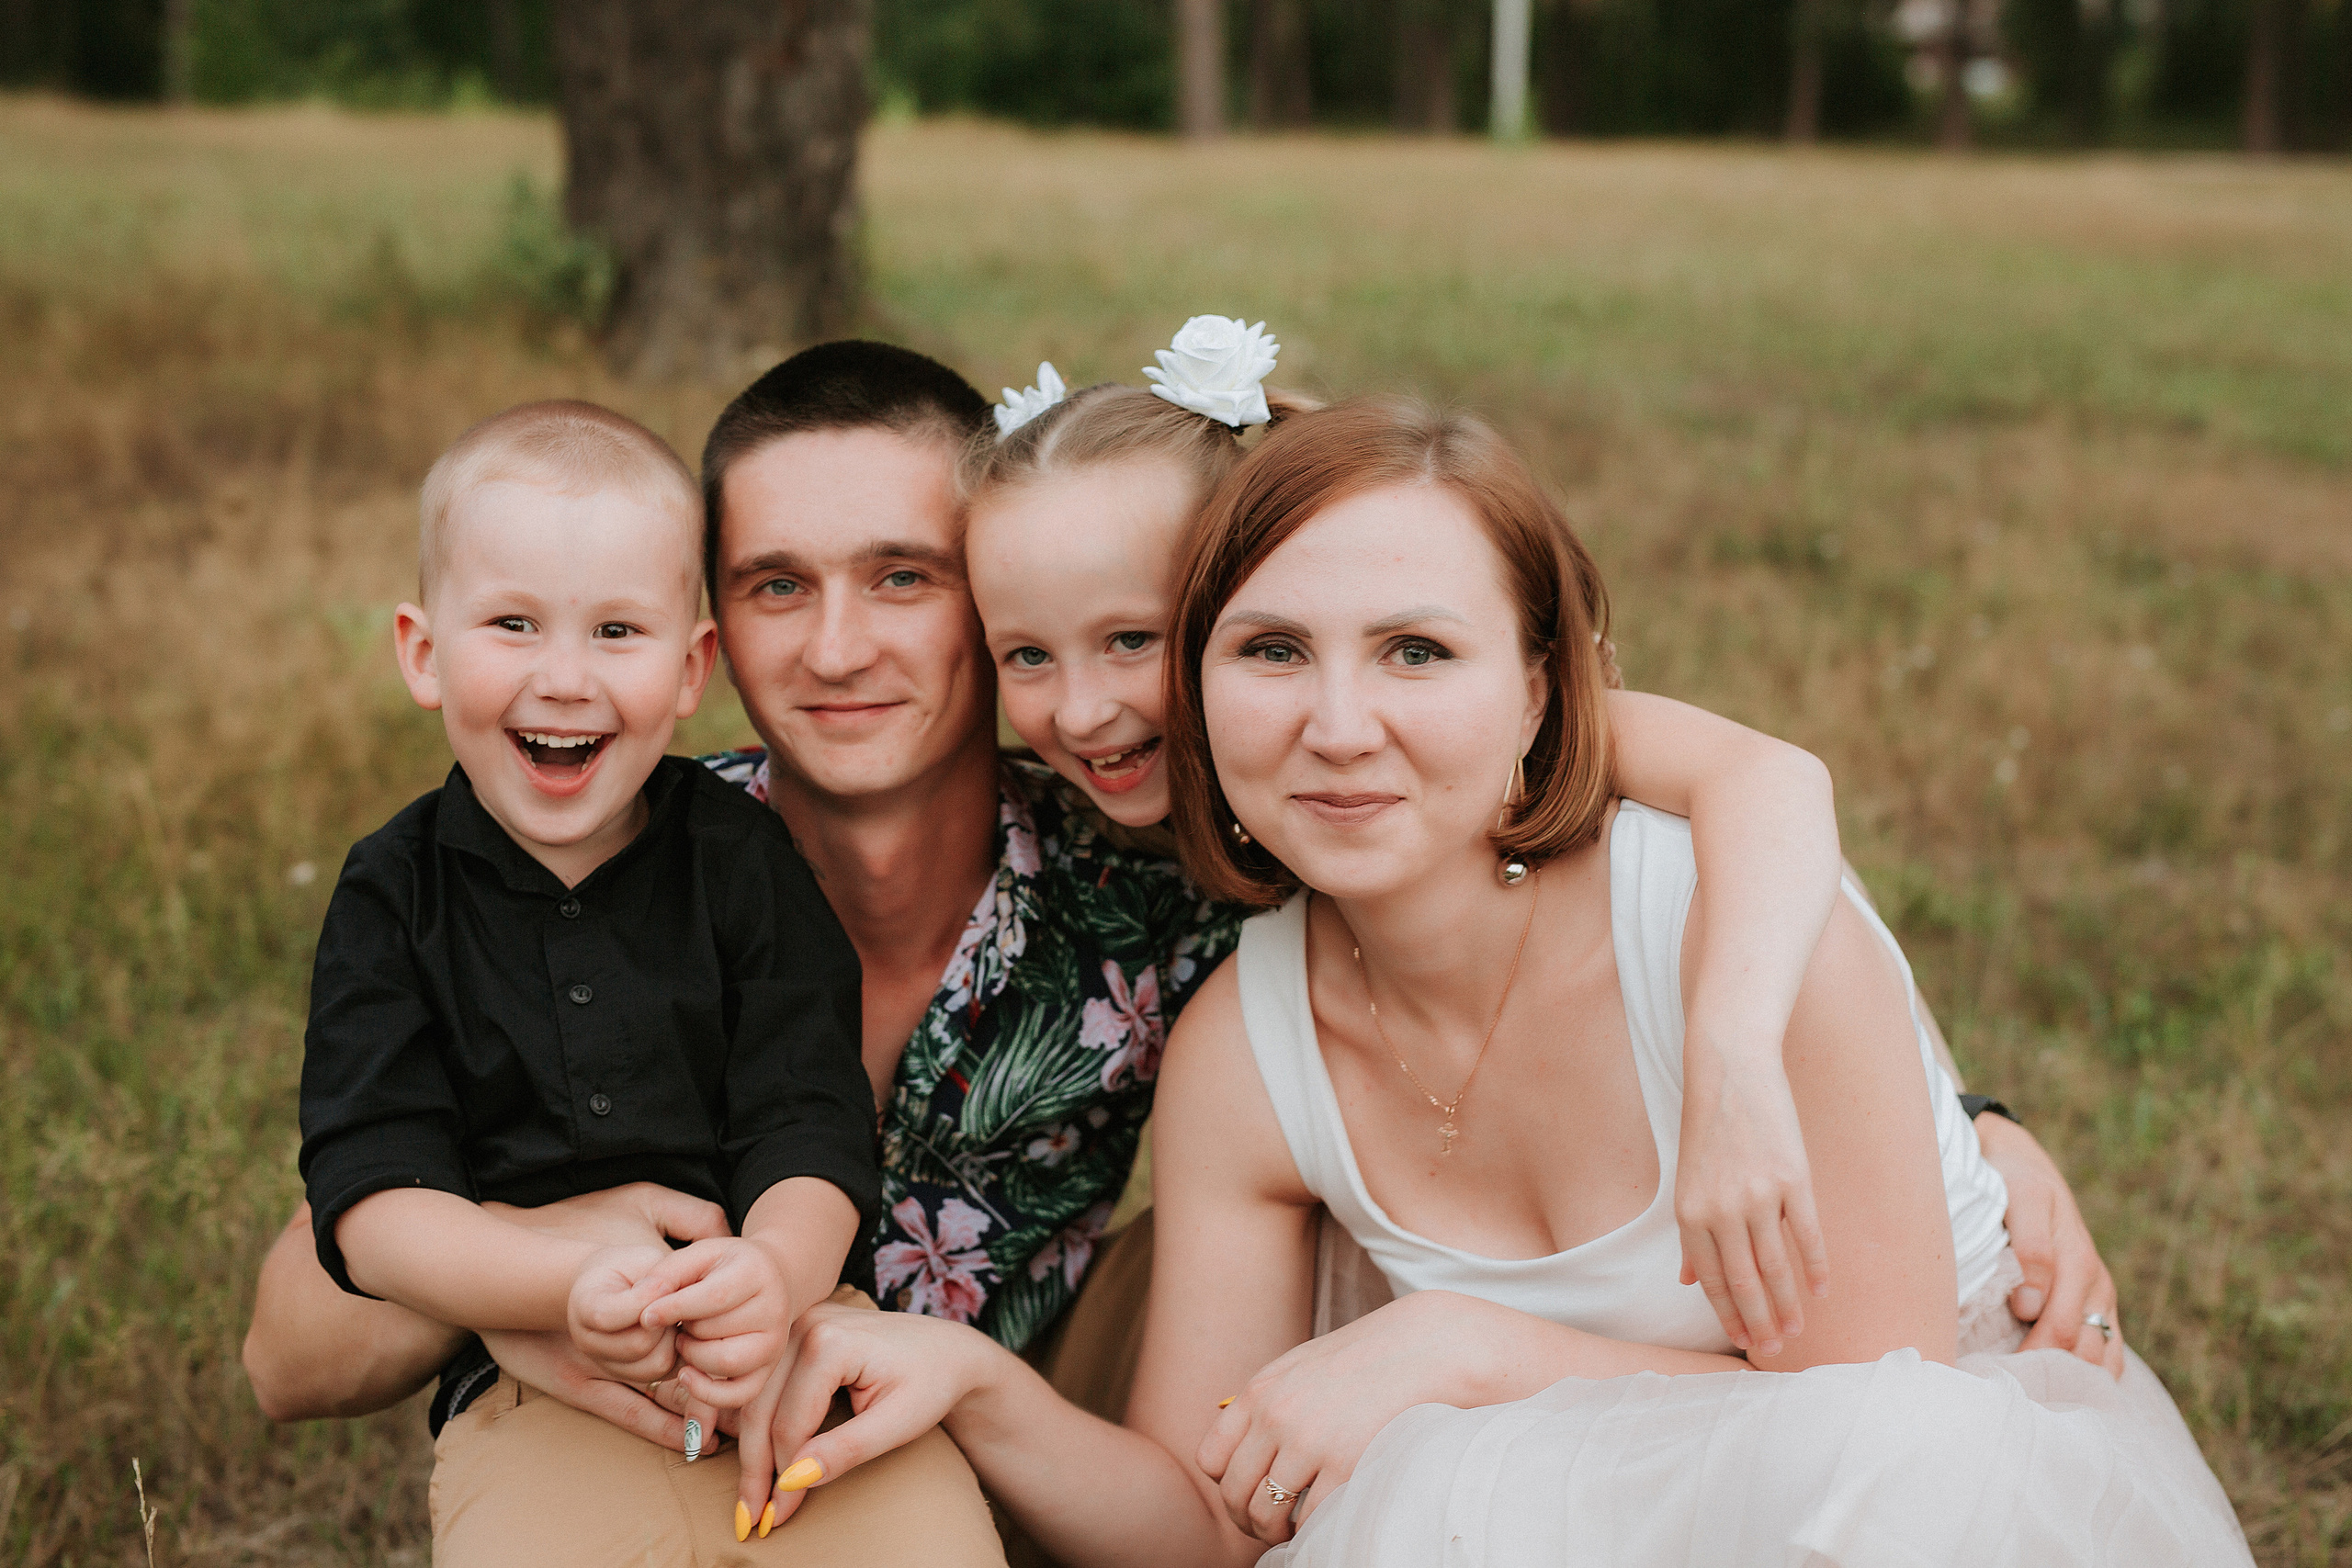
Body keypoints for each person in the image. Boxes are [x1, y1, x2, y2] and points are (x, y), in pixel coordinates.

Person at [243, 346, 2123, 1555]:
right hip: (661, 1394)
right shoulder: (604, 854)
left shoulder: (1167, 850)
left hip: (1004, 1444)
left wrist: (1950, 1122)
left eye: (904, 579)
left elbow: (1653, 797)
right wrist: (536, 1261)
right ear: (705, 642)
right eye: (774, 586)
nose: (840, 645)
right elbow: (295, 1342)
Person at [733, 396, 2249, 1566]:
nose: (1338, 725)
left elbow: (1890, 1436)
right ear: (1193, 684)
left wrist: (1458, 1344)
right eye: (1270, 651)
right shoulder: (1244, 1039)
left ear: (1540, 686)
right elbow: (1208, 1519)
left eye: (1416, 653)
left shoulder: (1728, 925)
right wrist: (978, 1382)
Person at [289, 398, 1000, 1562]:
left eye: (617, 631)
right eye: (513, 624)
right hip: (536, 1385)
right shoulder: (392, 894)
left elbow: (810, 1123)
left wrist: (775, 1273)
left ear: (689, 668)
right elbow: (374, 1203)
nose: (565, 678)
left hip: (789, 1355)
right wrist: (559, 1287)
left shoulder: (743, 857)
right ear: (422, 651)